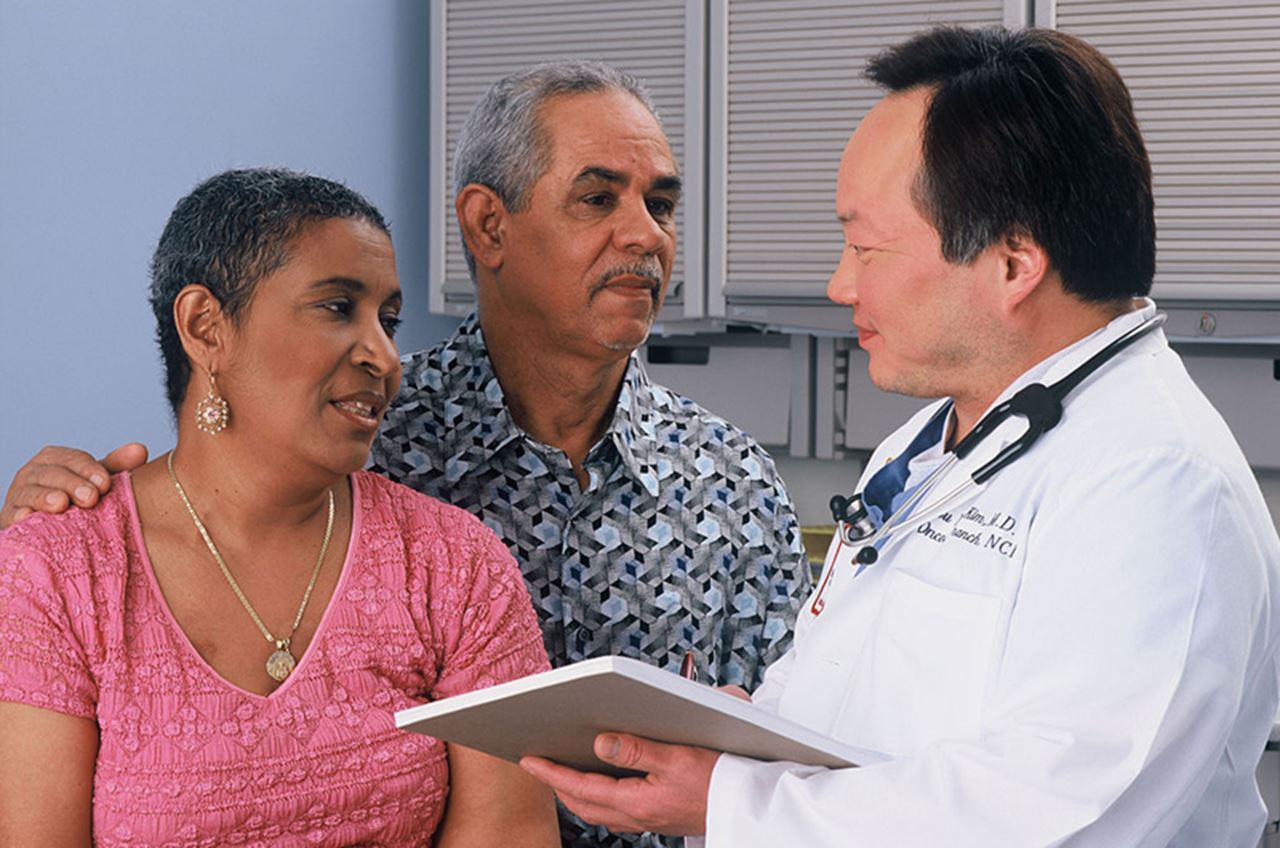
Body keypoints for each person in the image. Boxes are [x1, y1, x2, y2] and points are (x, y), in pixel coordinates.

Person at [0, 62, 811, 848]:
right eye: (598, 198)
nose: (645, 234)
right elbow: (205, 486)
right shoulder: (353, 436)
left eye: (661, 205)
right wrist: (46, 535)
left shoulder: (733, 485)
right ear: (488, 226)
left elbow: (805, 756)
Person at [518, 26, 1280, 847]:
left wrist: (732, 802)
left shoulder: (1157, 485)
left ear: (1013, 264)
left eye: (866, 248)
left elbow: (1061, 816)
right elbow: (856, 695)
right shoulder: (926, 447)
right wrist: (746, 739)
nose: (840, 283)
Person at [0, 168, 560, 846]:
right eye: (337, 308)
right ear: (205, 328)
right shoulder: (57, 573)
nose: (385, 357)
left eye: (388, 322)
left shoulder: (455, 565)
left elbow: (511, 830)